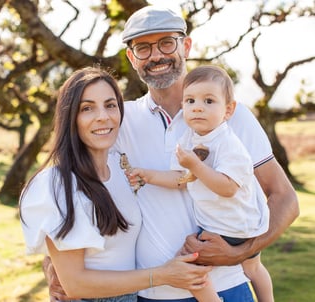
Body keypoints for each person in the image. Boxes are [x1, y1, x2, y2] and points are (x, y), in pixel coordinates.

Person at [45, 6, 299, 302]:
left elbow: (285, 199)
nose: (156, 56)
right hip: (149, 294)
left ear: (186, 46)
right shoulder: (118, 119)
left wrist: (239, 252)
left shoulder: (232, 116)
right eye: (143, 48)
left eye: (166, 42)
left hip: (226, 288)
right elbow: (77, 188)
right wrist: (54, 262)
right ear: (131, 57)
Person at [19, 66, 216, 302]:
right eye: (87, 108)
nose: (103, 116)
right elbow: (75, 284)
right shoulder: (58, 184)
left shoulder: (121, 169)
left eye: (110, 105)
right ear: (71, 117)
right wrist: (163, 275)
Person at [127, 65, 274, 302]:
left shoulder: (228, 144)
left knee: (188, 265)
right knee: (253, 268)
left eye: (208, 101)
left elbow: (227, 187)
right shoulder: (191, 137)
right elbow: (182, 180)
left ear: (228, 110)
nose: (197, 107)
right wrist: (148, 175)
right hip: (240, 224)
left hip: (230, 228)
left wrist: (195, 165)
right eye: (190, 100)